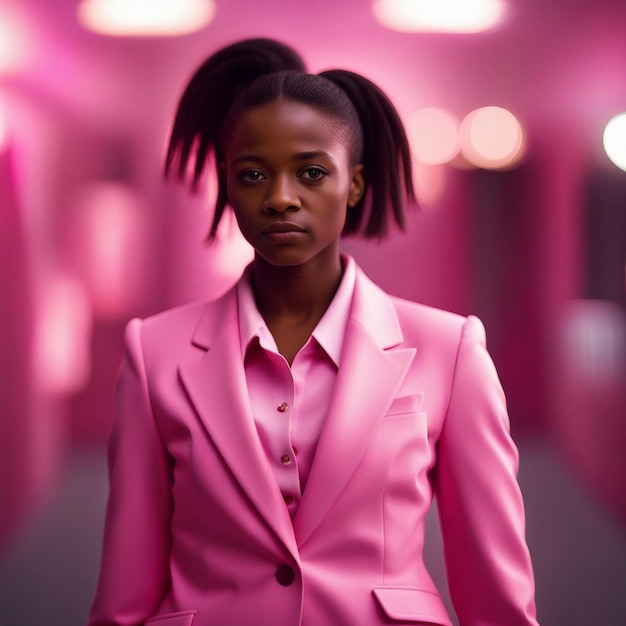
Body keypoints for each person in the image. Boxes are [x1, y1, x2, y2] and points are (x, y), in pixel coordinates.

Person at [87, 38, 540, 626]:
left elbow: (495, 593)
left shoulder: (448, 350)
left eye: (311, 172)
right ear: (226, 183)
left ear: (352, 184)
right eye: (252, 174)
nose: (280, 198)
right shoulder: (155, 352)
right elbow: (126, 590)